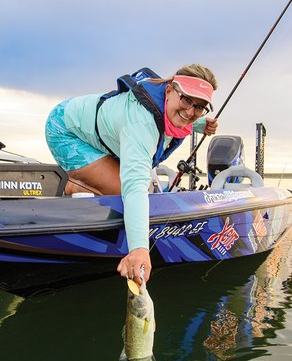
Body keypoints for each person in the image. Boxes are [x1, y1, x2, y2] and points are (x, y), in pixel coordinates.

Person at [45, 64, 218, 285]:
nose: (191, 112)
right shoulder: (141, 124)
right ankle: (71, 184)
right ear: (169, 91)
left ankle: (88, 178)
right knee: (122, 190)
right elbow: (134, 187)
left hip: (93, 129)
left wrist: (200, 124)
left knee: (136, 187)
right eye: (186, 100)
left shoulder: (170, 106)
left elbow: (181, 115)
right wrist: (139, 248)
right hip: (65, 129)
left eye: (200, 107)